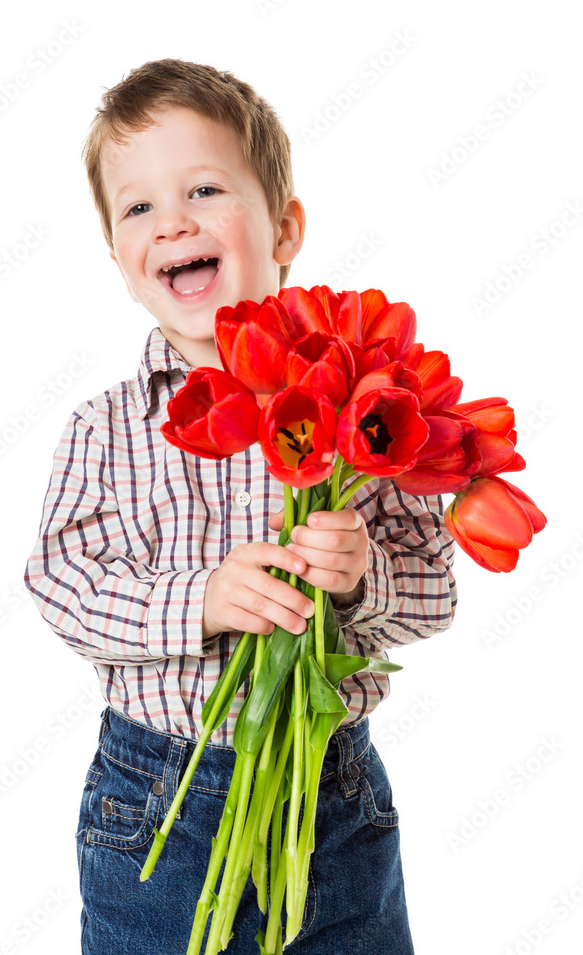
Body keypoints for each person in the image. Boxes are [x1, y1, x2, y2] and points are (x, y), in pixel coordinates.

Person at [24, 58, 457, 955]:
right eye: (137, 207)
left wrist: (361, 579)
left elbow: (436, 592)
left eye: (205, 188)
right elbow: (61, 583)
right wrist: (200, 600)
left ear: (284, 227)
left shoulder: (364, 408)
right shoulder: (105, 427)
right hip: (157, 800)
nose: (171, 220)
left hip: (332, 799)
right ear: (117, 258)